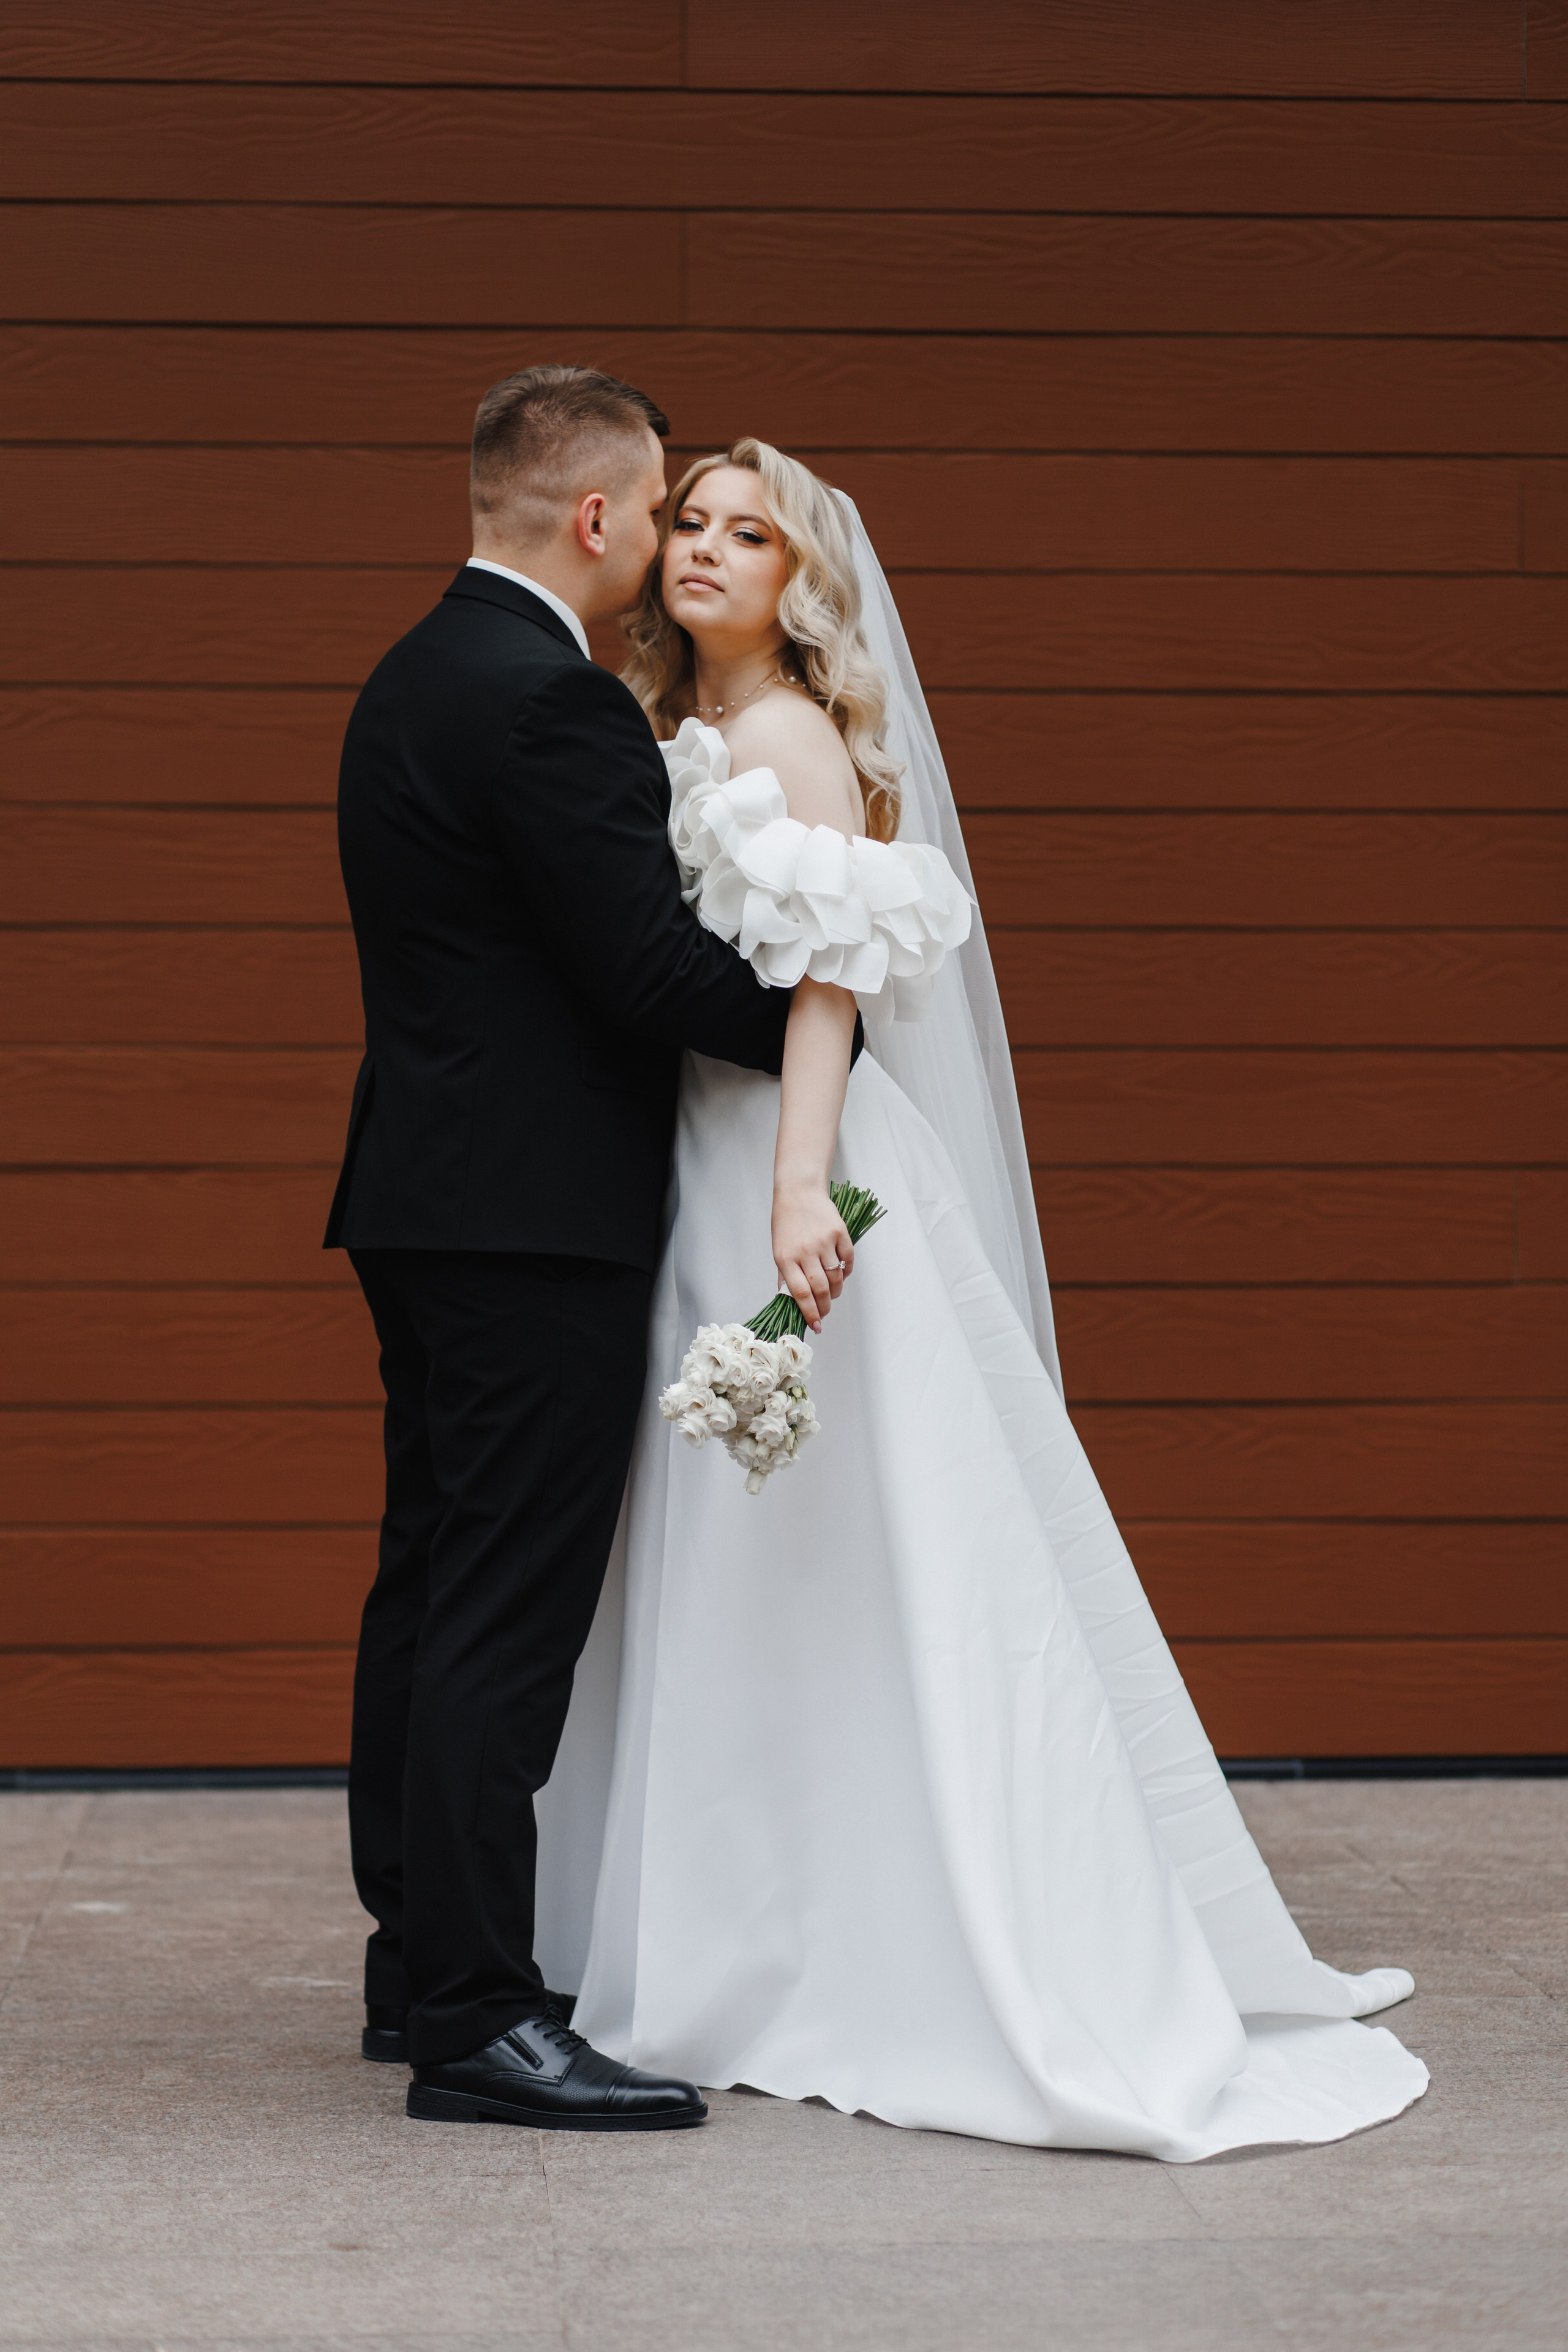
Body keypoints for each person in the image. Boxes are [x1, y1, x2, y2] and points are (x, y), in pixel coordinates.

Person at [534, 439, 1431, 2160]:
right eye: (695, 528)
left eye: (751, 537)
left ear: (806, 584)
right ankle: (725, 1912)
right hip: (697, 1158)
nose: (711, 553)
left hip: (778, 1163)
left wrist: (800, 1184)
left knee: (838, 1535)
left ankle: (842, 1931)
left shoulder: (790, 738)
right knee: (735, 1544)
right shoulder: (663, 728)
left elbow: (826, 973)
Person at [326, 369, 828, 2131]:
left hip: (425, 1199)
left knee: (429, 1585)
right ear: (598, 520)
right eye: (661, 512)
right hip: (532, 1223)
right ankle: (477, 2017)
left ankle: (416, 1968)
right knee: (502, 1612)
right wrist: (838, 998)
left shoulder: (410, 678)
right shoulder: (551, 705)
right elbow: (649, 978)